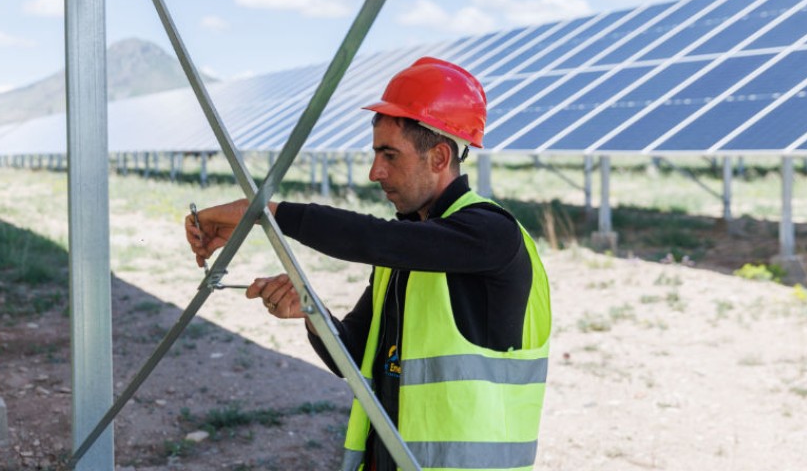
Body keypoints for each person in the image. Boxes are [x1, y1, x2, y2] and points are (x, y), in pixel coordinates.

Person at [185, 57, 551, 471]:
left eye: (389, 155)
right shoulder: (411, 248)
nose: (375, 171)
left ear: (439, 157)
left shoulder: (490, 234)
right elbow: (356, 356)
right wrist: (309, 309)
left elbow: (375, 238)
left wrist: (264, 212)